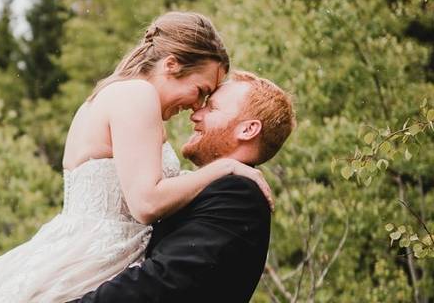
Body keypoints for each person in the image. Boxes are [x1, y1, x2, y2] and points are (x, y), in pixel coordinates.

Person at [0, 11, 274, 302]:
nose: (198, 106)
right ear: (171, 65)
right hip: (92, 259)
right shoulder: (137, 96)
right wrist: (225, 167)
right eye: (201, 90)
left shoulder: (121, 94)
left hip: (96, 253)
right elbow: (147, 203)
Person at [71, 70, 296, 302]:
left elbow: (163, 282)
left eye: (213, 108)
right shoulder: (211, 188)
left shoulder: (239, 196)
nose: (196, 114)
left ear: (248, 129)